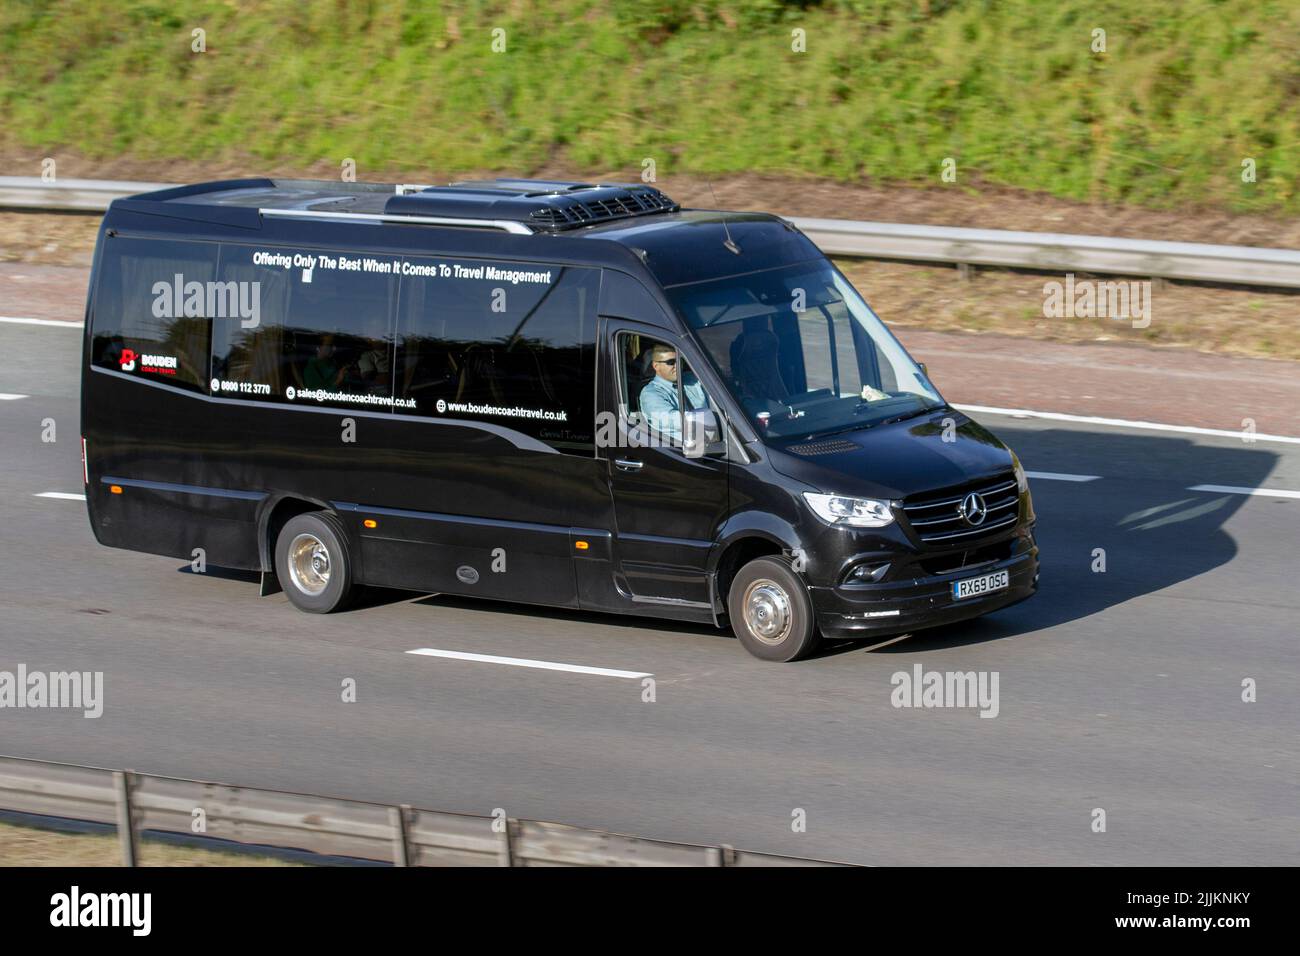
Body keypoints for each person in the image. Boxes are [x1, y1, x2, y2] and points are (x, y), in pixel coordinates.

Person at [638, 344, 706, 441]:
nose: (677, 365)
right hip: (681, 449)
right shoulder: (650, 394)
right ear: (656, 366)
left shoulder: (693, 379)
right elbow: (673, 420)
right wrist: (708, 420)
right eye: (671, 362)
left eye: (679, 360)